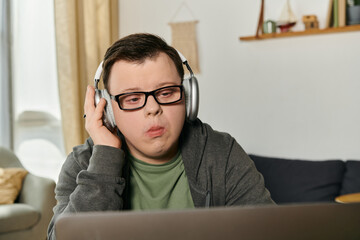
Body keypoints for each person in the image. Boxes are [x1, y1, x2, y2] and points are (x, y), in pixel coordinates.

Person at [47, 33, 274, 239]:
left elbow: (271, 231)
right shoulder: (83, 163)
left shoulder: (221, 153)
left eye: (166, 92)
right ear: (107, 109)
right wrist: (106, 158)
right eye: (133, 98)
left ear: (188, 97)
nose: (153, 108)